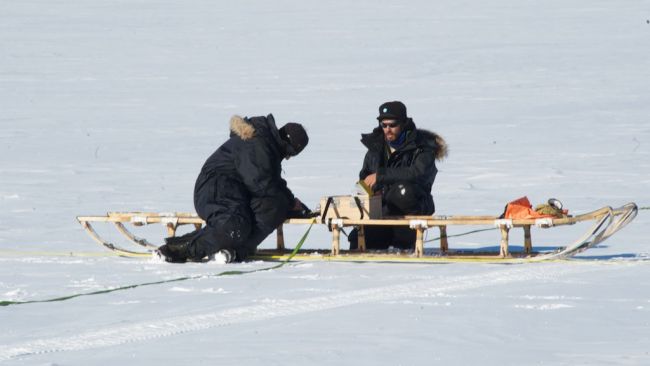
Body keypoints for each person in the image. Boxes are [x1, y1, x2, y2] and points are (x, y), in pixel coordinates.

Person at [156, 114, 310, 263]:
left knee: (273, 208)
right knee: (235, 226)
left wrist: (289, 203)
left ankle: (236, 251)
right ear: (289, 148)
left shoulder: (268, 148)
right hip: (215, 189)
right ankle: (176, 249)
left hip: (234, 193)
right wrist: (289, 203)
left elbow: (270, 185)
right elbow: (261, 184)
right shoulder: (259, 145)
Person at [349, 101, 447, 250]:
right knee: (357, 241)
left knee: (403, 191)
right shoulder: (375, 148)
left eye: (392, 125)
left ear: (404, 123)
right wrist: (370, 189)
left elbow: (417, 173)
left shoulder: (422, 147)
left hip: (413, 209)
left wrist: (381, 176)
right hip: (381, 212)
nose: (388, 129)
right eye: (384, 125)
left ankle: (406, 243)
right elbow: (365, 177)